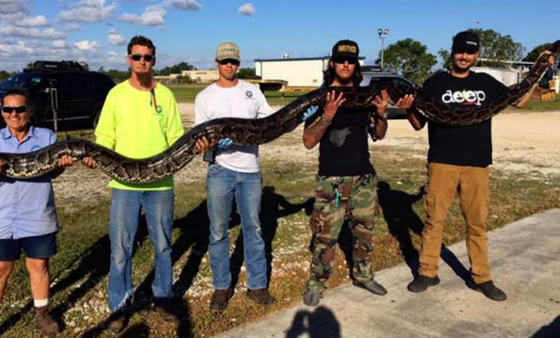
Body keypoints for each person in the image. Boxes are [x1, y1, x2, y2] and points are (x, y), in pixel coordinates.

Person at [402, 31, 552, 301]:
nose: (464, 56)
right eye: (460, 51)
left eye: (470, 52)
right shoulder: (435, 83)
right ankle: (427, 272)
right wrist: (409, 107)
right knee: (434, 220)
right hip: (442, 162)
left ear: (477, 55)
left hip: (477, 163)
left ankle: (481, 277)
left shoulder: (486, 82)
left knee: (477, 223)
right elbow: (417, 124)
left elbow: (518, 99)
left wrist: (540, 67)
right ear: (452, 52)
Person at [82, 35, 185, 332]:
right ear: (128, 59)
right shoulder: (115, 95)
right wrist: (94, 157)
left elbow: (176, 138)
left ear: (154, 60)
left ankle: (163, 298)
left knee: (164, 245)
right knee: (120, 248)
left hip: (161, 184)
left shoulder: (165, 94)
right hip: (124, 185)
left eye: (148, 57)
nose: (142, 62)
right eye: (137, 57)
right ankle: (120, 305)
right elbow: (105, 138)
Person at [0, 89, 74, 338]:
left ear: (29, 111)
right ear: (2, 112)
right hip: (2, 215)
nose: (14, 114)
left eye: (19, 109)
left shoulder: (47, 136)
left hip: (37, 213)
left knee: (39, 265)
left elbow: (51, 172)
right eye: (8, 110)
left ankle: (42, 313)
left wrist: (62, 165)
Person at [301, 39, 394, 306]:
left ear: (356, 65)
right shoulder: (321, 97)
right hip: (331, 179)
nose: (345, 64)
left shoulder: (366, 96)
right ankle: (316, 283)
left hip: (363, 177)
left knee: (364, 232)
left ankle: (364, 276)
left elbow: (378, 135)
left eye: (350, 61)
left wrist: (382, 113)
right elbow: (308, 141)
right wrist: (327, 116)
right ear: (332, 63)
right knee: (325, 237)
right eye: (341, 60)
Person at [193, 42, 281, 311]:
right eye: (224, 62)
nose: (228, 66)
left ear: (238, 64)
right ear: (216, 63)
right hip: (220, 170)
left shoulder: (252, 92)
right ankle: (221, 286)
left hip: (250, 170)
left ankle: (257, 285)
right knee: (218, 230)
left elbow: (270, 124)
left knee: (253, 228)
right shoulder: (205, 97)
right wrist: (209, 146)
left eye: (233, 62)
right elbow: (200, 140)